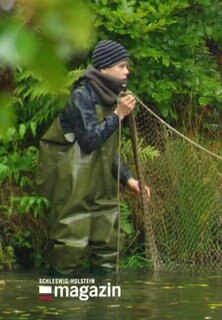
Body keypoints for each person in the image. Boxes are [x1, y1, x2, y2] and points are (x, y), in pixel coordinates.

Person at [37, 40, 150, 277]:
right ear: (105, 68)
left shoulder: (111, 97)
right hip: (70, 185)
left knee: (109, 243)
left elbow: (106, 150)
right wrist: (118, 115)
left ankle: (105, 305)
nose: (127, 71)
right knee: (71, 243)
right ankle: (59, 304)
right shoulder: (82, 96)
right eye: (122, 66)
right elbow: (89, 141)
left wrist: (129, 180)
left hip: (101, 185)